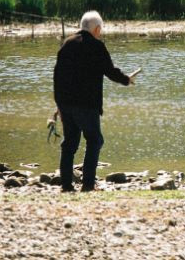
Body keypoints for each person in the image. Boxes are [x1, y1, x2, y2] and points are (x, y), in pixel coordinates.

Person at [53, 11, 136, 192]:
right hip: (87, 104)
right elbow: (110, 70)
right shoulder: (97, 46)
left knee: (70, 144)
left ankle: (66, 185)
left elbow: (57, 76)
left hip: (66, 104)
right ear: (97, 29)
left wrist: (58, 105)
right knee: (94, 140)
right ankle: (88, 185)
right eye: (101, 29)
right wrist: (126, 79)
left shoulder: (66, 45)